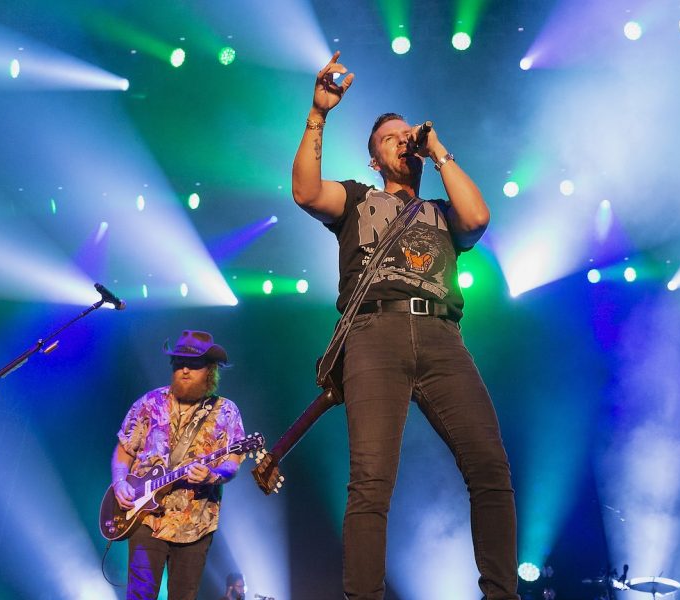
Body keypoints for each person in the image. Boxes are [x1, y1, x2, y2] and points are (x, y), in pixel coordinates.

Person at [291, 51, 519, 600]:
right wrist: (319, 114)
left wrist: (437, 150)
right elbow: (304, 192)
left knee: (490, 468)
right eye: (389, 138)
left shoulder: (442, 211)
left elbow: (479, 219)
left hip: (443, 336)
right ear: (374, 159)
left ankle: (502, 594)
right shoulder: (357, 197)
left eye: (404, 135)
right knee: (371, 482)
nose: (401, 141)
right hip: (375, 334)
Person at [111, 330, 246, 600]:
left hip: (195, 524)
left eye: (194, 365)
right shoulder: (149, 403)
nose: (184, 370)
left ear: (210, 370)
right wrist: (119, 481)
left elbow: (232, 463)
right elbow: (123, 452)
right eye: (179, 363)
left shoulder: (226, 411)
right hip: (146, 518)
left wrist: (213, 475)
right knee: (139, 595)